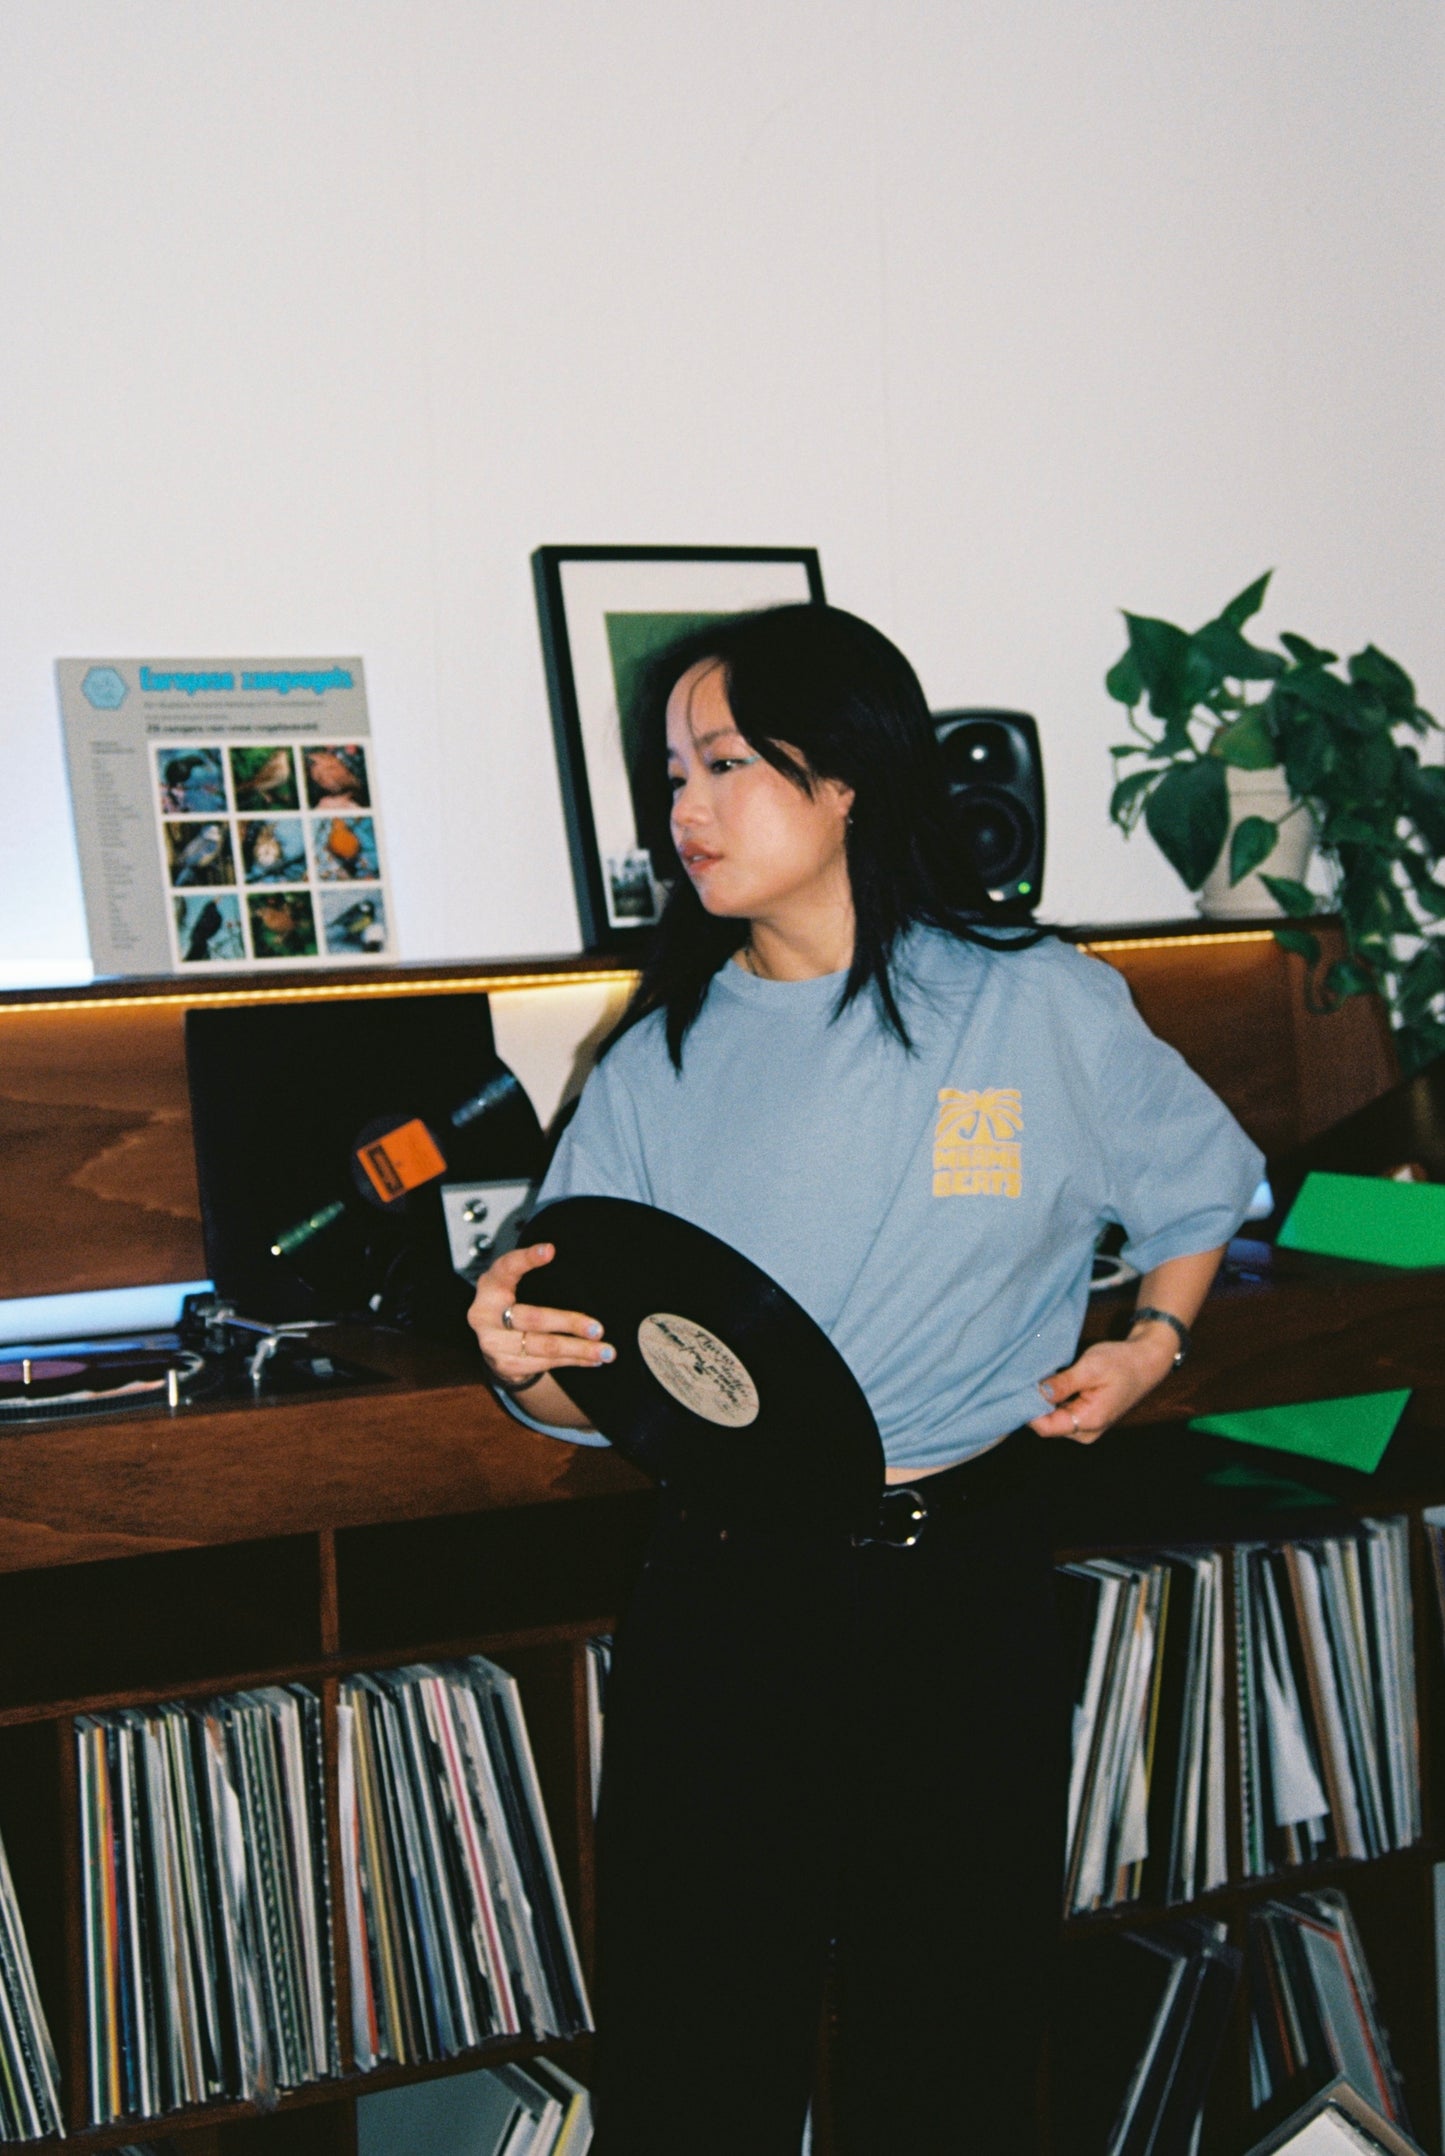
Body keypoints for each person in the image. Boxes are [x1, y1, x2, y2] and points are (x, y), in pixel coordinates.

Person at [468, 604, 1263, 2155]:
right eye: (669, 774)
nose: (680, 811)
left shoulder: (1035, 1000)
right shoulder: (652, 1061)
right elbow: (593, 1382)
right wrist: (523, 1357)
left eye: (720, 765)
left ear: (841, 779)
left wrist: (1150, 1343)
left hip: (959, 1586)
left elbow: (1198, 1186)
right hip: (728, 1595)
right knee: (700, 2043)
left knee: (951, 2035)